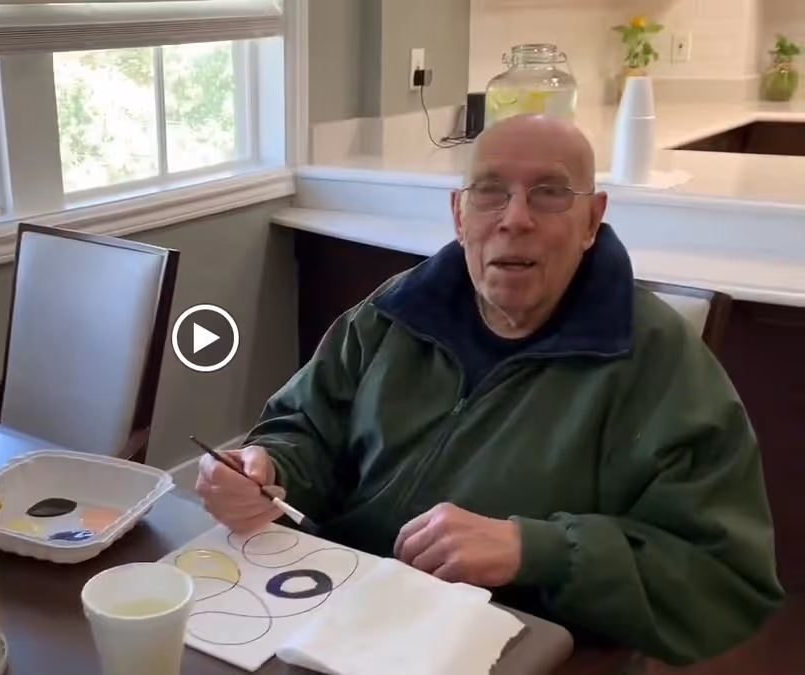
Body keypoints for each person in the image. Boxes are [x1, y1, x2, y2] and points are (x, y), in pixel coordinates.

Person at [195, 114, 785, 665]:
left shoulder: (658, 362)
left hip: (518, 646)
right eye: (490, 192)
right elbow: (306, 429)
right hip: (333, 614)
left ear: (592, 219)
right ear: (459, 214)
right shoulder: (392, 313)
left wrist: (537, 550)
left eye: (549, 193)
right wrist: (269, 469)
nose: (515, 218)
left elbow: (724, 581)